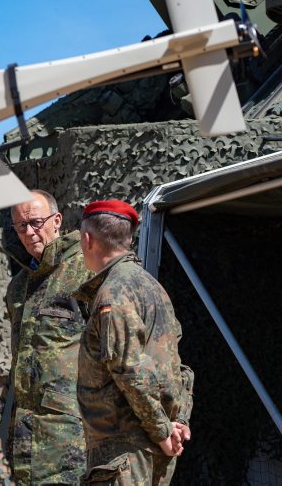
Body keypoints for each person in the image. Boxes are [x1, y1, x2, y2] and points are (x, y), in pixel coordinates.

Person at [76, 199, 193, 485]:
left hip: (124, 451)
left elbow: (129, 370)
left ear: (88, 239)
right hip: (149, 445)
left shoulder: (113, 293)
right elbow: (178, 368)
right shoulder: (152, 287)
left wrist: (162, 430)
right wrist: (178, 422)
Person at [4, 189, 92, 484]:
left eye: (36, 222)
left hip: (70, 438)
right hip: (24, 439)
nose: (29, 233)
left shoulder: (86, 270)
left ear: (57, 220)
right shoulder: (18, 286)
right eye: (21, 226)